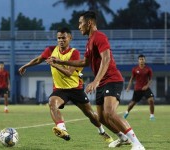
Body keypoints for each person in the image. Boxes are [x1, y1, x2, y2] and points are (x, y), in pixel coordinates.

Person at [47, 11, 145, 150]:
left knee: (110, 112)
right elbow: (84, 62)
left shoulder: (99, 37)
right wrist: (59, 60)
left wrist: (96, 80)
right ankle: (122, 138)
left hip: (111, 79)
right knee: (101, 118)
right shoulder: (89, 41)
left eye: (81, 23)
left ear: (89, 23)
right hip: (102, 82)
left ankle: (137, 144)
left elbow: (106, 59)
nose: (79, 26)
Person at [18, 27, 113, 142]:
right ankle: (62, 129)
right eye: (59, 38)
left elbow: (69, 72)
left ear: (70, 38)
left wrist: (55, 64)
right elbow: (38, 59)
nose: (61, 40)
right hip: (60, 89)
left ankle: (102, 131)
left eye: (63, 38)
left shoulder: (74, 53)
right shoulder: (51, 50)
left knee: (91, 115)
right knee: (52, 103)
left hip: (75, 89)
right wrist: (25, 66)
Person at [124, 54, 155, 120]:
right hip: (137, 89)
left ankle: (152, 116)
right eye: (140, 59)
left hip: (146, 88)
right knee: (132, 104)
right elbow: (132, 78)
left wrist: (147, 86)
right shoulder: (135, 69)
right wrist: (128, 87)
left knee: (151, 100)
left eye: (143, 59)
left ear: (145, 60)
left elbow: (151, 79)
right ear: (138, 60)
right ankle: (127, 112)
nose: (141, 60)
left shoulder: (148, 69)